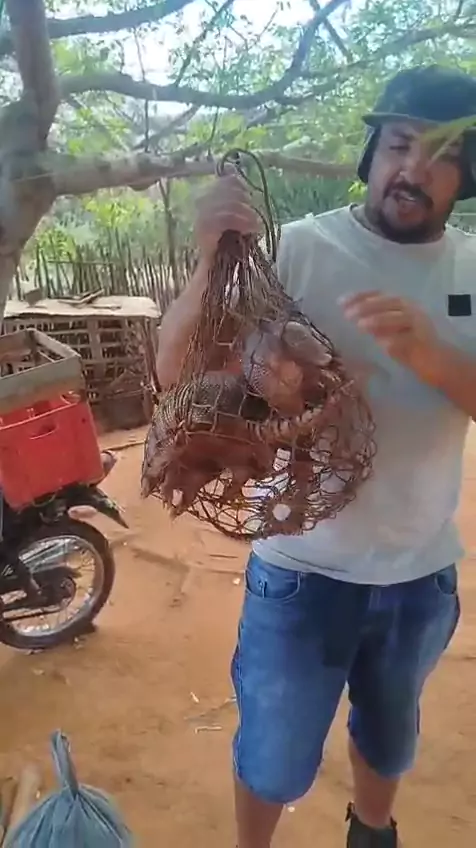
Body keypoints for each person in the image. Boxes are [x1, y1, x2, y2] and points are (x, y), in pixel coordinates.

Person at [155, 65, 476, 848]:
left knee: (389, 738)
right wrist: (207, 259)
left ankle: (373, 831)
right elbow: (174, 375)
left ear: (465, 176)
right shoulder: (299, 248)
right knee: (272, 758)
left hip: (419, 574)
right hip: (301, 572)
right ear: (372, 153)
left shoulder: (472, 268)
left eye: (441, 156)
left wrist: (432, 356)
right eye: (399, 144)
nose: (413, 169)